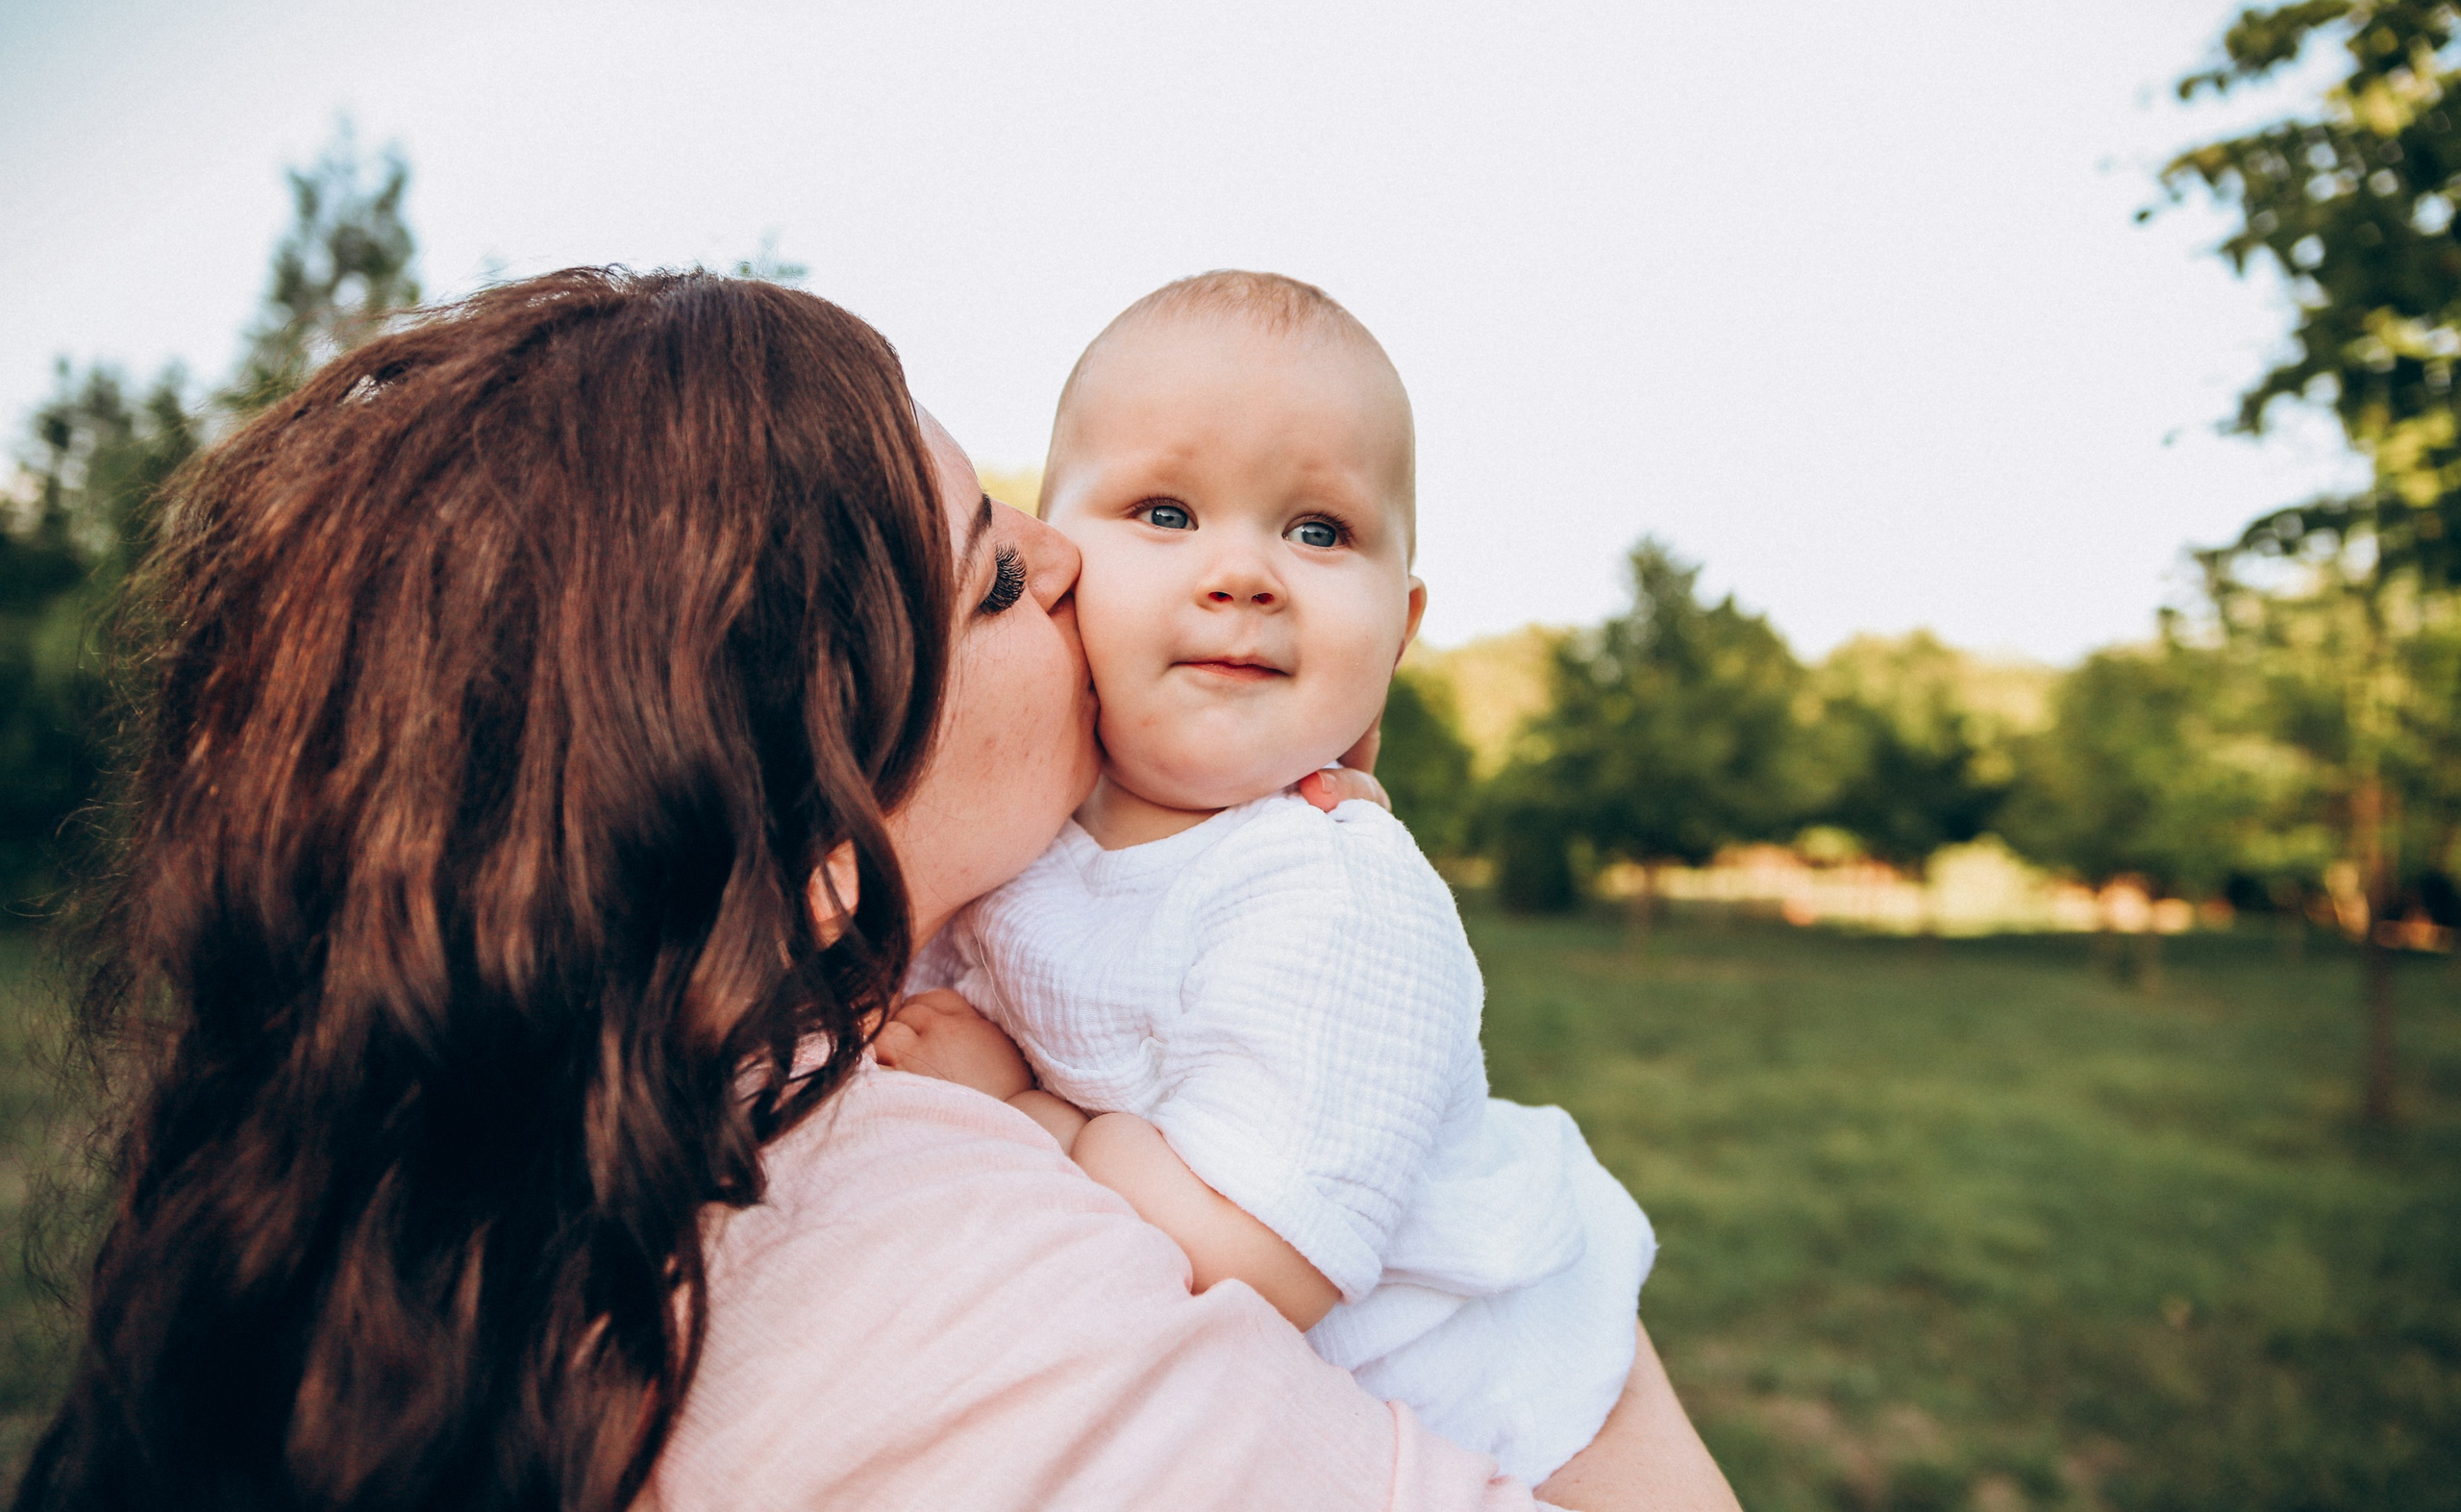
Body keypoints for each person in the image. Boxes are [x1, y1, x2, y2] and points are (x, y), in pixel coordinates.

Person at [16, 268, 1739, 1512]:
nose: (1072, 567)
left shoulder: (536, 1109)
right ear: (816, 818)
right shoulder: (935, 1266)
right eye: (997, 573)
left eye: (1314, 537)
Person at [887, 271, 1650, 1484]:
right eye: (1167, 512)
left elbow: (1251, 1260)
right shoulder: (1027, 827)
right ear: (1053, 562)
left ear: (1397, 634)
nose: (1243, 573)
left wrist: (1029, 1111)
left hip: (1510, 1415)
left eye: (1317, 532)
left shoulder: (1331, 895)